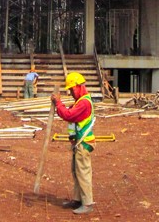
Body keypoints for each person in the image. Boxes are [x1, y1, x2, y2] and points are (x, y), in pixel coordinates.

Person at [51, 72, 96, 215]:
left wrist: (58, 103)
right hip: (79, 142)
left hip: (84, 143)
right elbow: (70, 117)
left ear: (79, 86)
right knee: (76, 172)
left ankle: (87, 203)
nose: (70, 93)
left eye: (71, 89)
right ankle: (78, 199)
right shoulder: (80, 101)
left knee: (83, 172)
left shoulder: (84, 103)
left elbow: (69, 115)